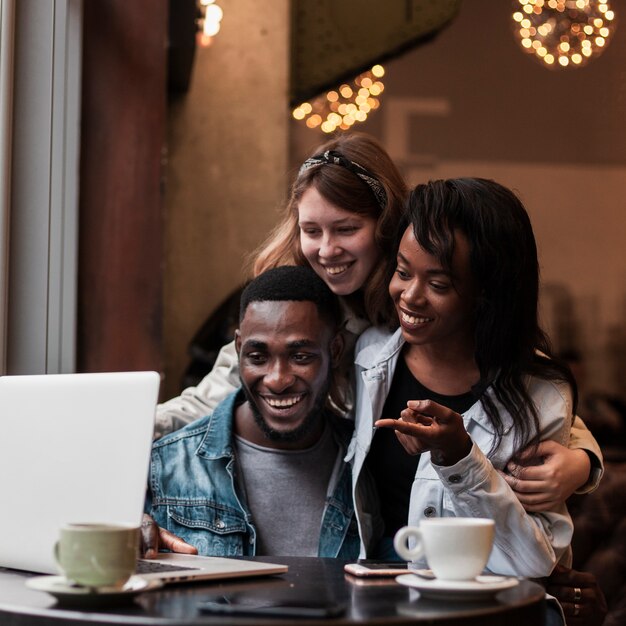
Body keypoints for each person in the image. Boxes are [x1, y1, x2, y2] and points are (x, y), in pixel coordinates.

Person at [154, 133, 603, 513]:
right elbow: (211, 397)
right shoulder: (292, 298)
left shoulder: (416, 300)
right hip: (332, 497)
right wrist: (131, 425)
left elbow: (523, 384)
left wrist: (583, 461)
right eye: (312, 231)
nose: (326, 250)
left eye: (346, 229)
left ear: (387, 224)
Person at [349, 177, 575, 577]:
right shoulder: (369, 357)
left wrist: (458, 457)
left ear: (487, 293)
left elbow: (534, 561)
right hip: (379, 596)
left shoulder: (540, 393)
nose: (410, 295)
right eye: (402, 272)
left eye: (438, 284)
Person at [142, 266, 379, 558]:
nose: (277, 380)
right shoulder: (162, 466)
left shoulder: (366, 465)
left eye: (301, 357)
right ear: (239, 348)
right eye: (257, 357)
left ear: (337, 349)